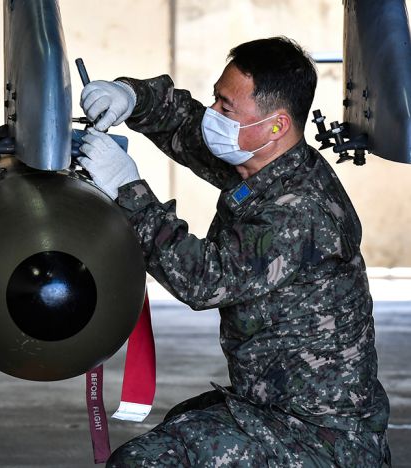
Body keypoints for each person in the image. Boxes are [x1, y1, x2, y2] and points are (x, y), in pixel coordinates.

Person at [78, 37, 390, 466]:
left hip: (320, 436)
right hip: (269, 406)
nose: (214, 116)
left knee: (147, 460)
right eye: (217, 100)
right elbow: (184, 124)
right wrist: (131, 97)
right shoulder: (263, 159)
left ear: (276, 125)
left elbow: (205, 279)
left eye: (227, 107)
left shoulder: (300, 209)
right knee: (185, 424)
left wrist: (128, 191)